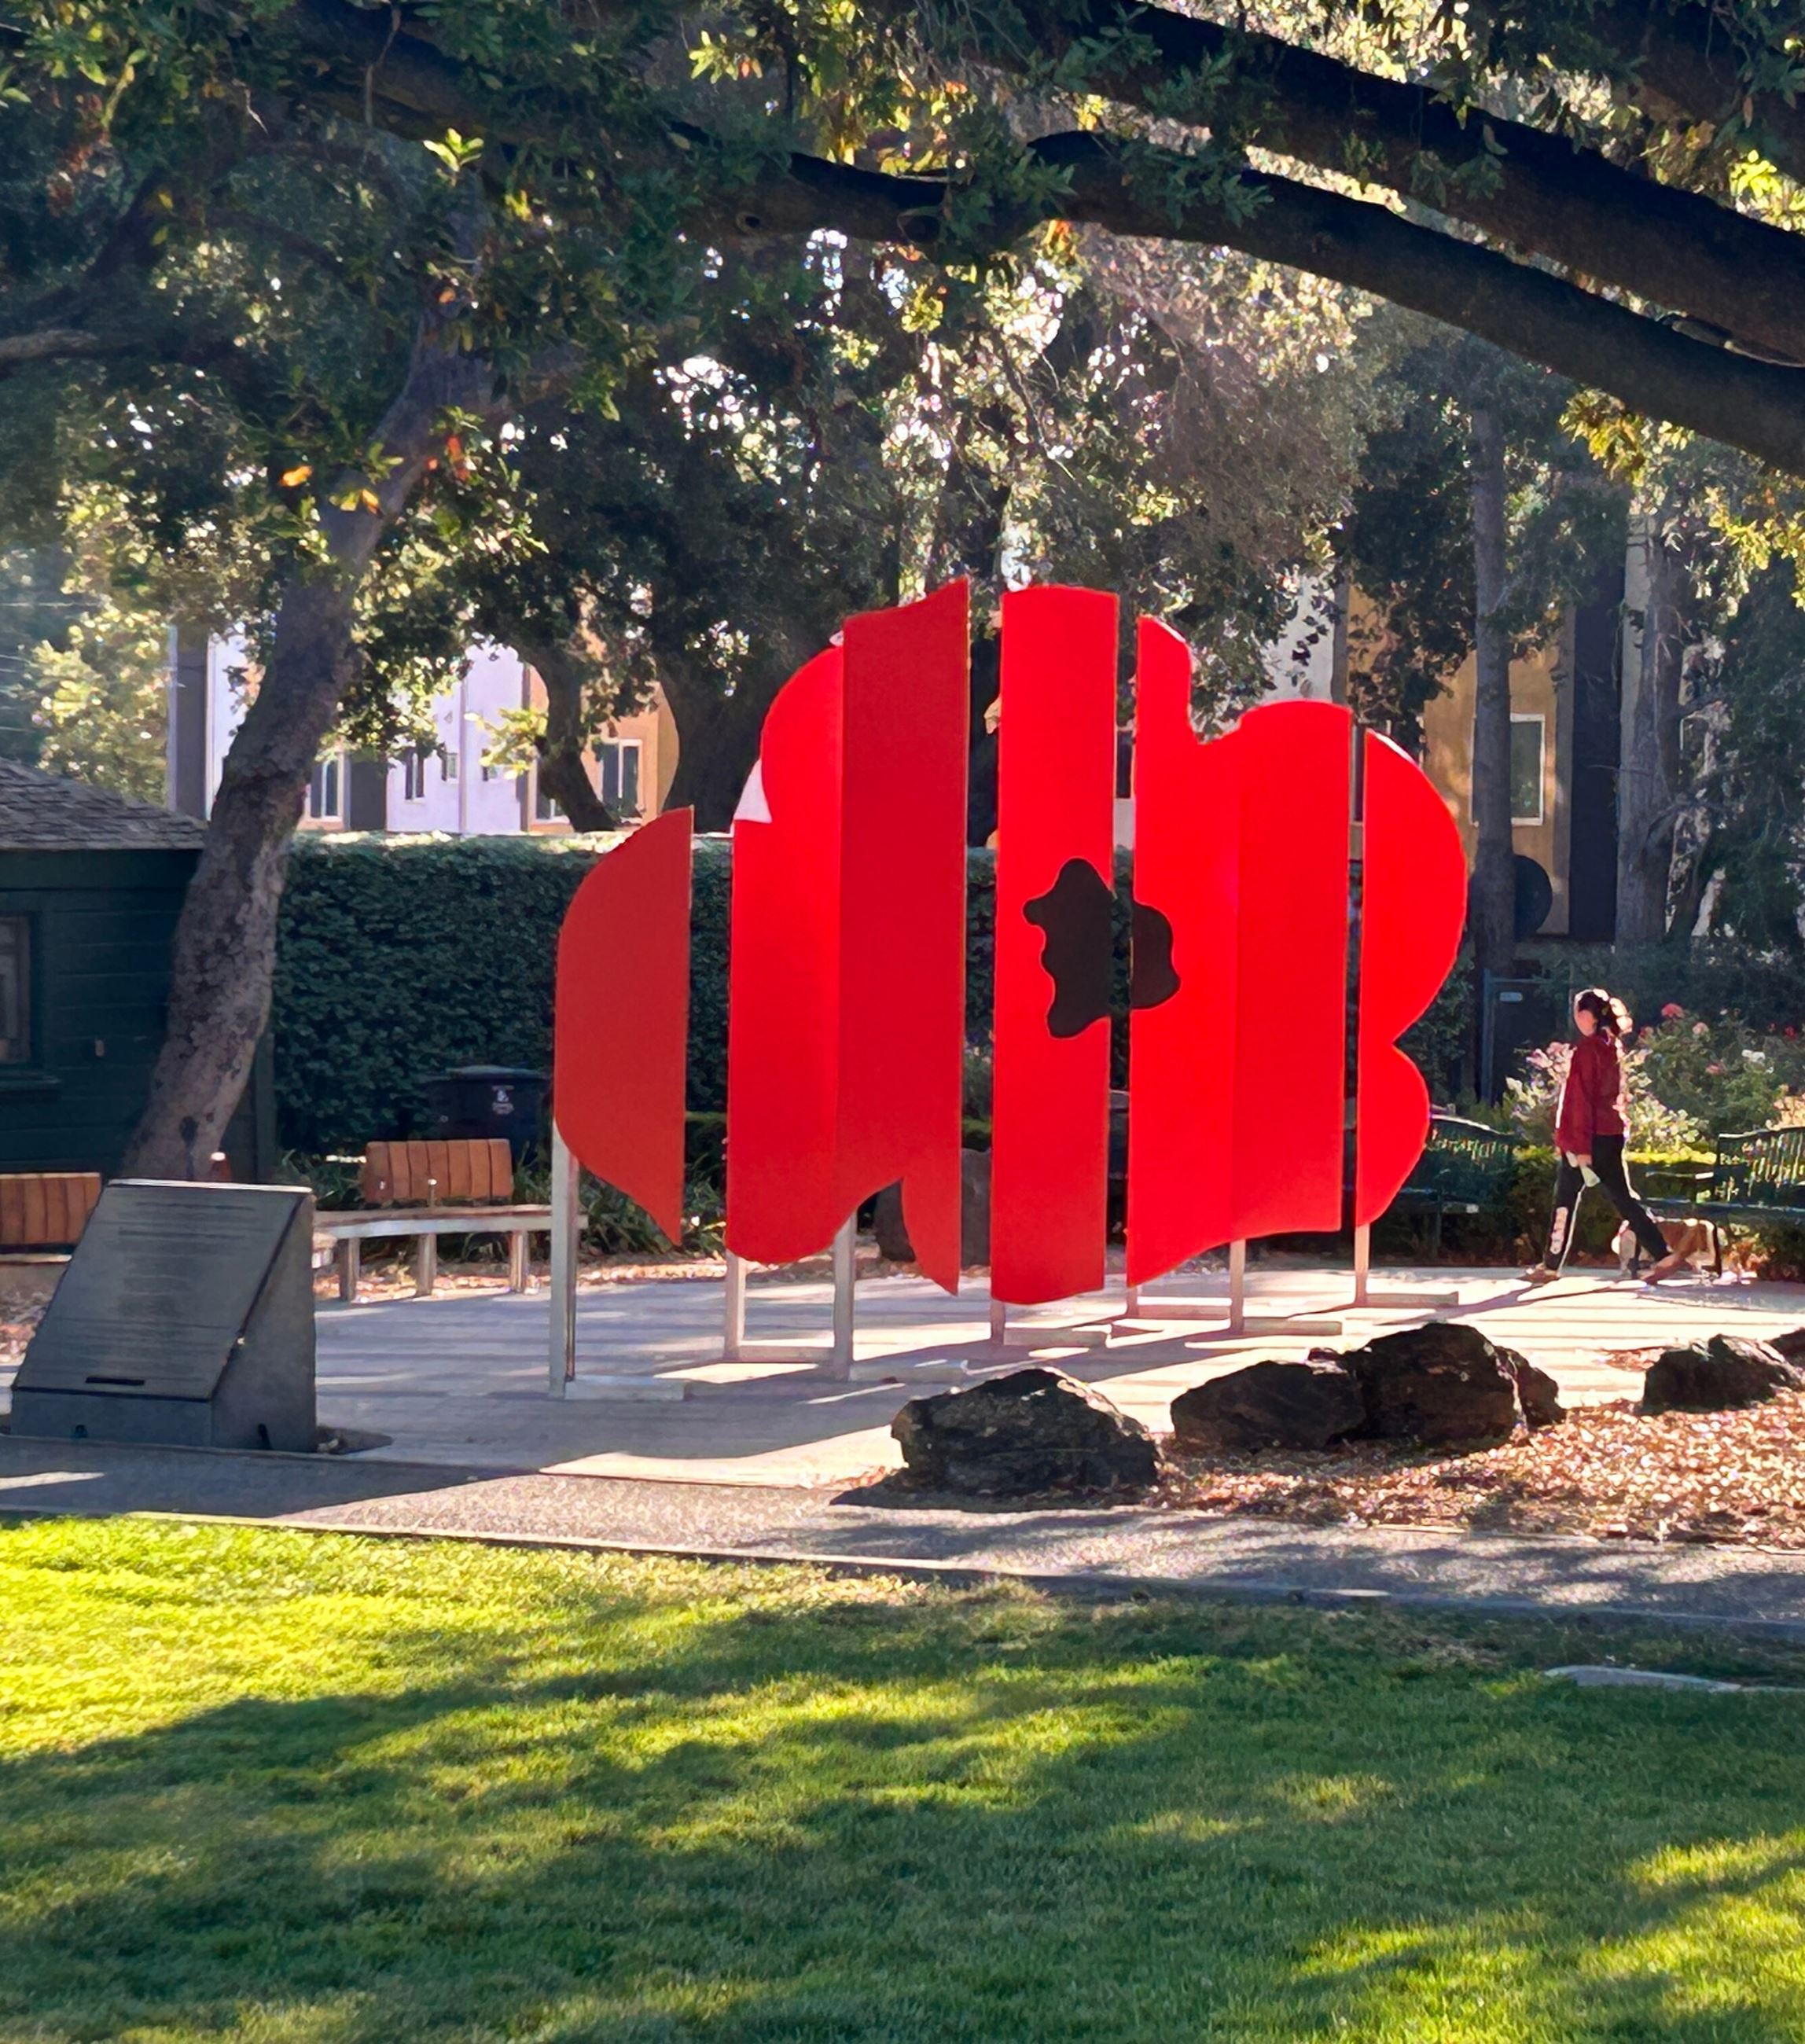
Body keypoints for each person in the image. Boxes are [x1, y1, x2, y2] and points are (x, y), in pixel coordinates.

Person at [1524, 988, 1686, 1285]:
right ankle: (1664, 1254)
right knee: (1623, 1199)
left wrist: (1580, 1147)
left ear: (1587, 1015)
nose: (1576, 1019)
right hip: (1610, 1133)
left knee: (1565, 1200)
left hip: (1586, 1138)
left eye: (1578, 1013)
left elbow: (1580, 1101)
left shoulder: (1587, 1050)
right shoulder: (1612, 1046)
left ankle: (1550, 1265)